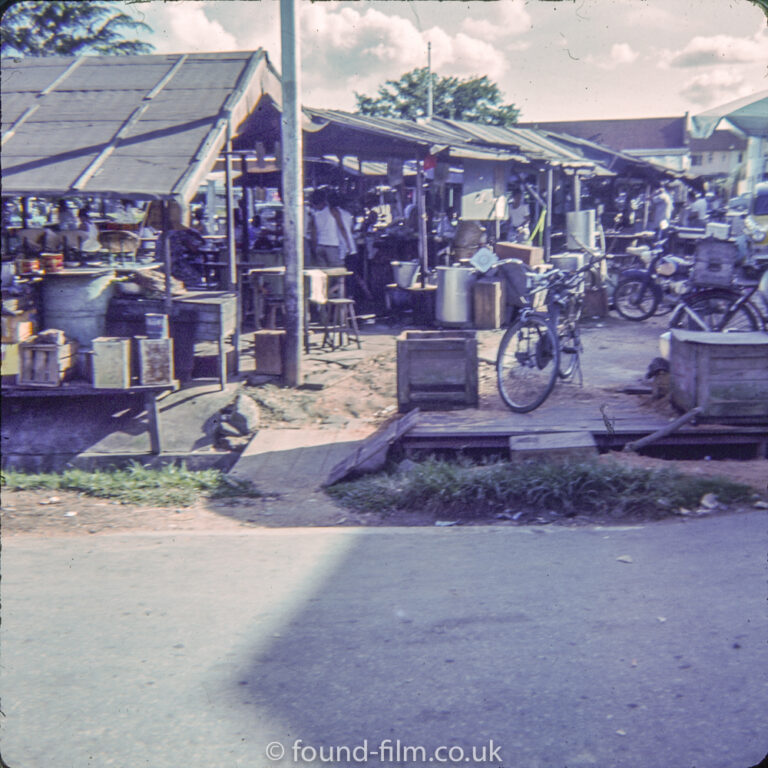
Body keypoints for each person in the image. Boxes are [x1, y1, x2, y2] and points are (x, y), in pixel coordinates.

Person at [308, 189, 343, 267]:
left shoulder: (314, 215)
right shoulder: (333, 211)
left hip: (320, 246)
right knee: (336, 272)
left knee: (323, 273)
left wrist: (314, 248)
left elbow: (313, 234)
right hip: (332, 246)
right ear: (325, 199)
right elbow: (342, 228)